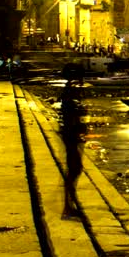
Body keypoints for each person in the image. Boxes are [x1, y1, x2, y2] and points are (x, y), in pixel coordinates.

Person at [59, 67, 85, 219]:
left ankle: (70, 204)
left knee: (74, 170)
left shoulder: (69, 92)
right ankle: (68, 207)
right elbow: (71, 117)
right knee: (74, 170)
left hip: (71, 136)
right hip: (71, 136)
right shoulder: (69, 94)